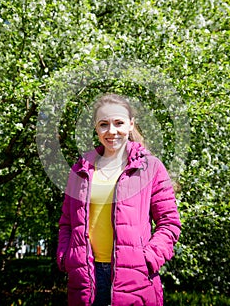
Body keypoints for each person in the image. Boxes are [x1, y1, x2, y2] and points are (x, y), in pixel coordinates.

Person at [57, 93, 181, 306]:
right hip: (86, 278)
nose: (111, 131)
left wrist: (148, 259)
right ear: (96, 128)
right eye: (104, 124)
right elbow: (67, 223)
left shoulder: (150, 167)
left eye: (119, 123)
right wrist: (65, 258)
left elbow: (169, 224)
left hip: (135, 278)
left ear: (131, 124)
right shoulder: (80, 170)